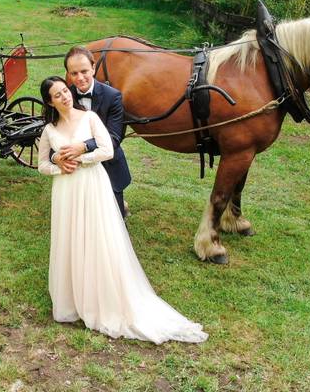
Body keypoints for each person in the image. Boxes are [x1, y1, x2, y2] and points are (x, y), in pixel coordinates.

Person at [36, 76, 207, 344]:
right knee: (70, 238)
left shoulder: (90, 118)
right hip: (65, 191)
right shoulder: (49, 130)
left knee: (97, 237)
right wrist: (58, 165)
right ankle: (72, 297)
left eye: (64, 92)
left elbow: (106, 150)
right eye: (57, 95)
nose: (64, 97)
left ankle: (101, 296)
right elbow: (42, 164)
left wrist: (81, 159)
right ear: (50, 101)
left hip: (92, 183)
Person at [55, 46, 132, 219]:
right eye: (74, 73)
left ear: (93, 68)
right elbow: (55, 133)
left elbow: (114, 138)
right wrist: (57, 158)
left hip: (108, 165)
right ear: (67, 73)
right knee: (83, 217)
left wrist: (83, 146)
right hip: (77, 170)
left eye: (84, 71)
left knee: (115, 219)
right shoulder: (66, 97)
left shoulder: (113, 97)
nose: (80, 78)